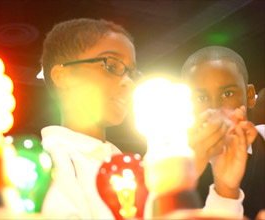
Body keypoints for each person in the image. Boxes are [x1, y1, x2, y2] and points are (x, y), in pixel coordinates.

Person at [39, 19, 244, 219]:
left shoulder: (126, 165)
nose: (127, 81)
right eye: (111, 65)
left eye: (131, 72)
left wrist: (225, 190)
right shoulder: (51, 162)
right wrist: (175, 178)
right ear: (63, 76)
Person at [181, 46, 264, 219]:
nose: (215, 108)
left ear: (249, 96)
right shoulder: (173, 167)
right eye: (201, 98)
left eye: (228, 93)